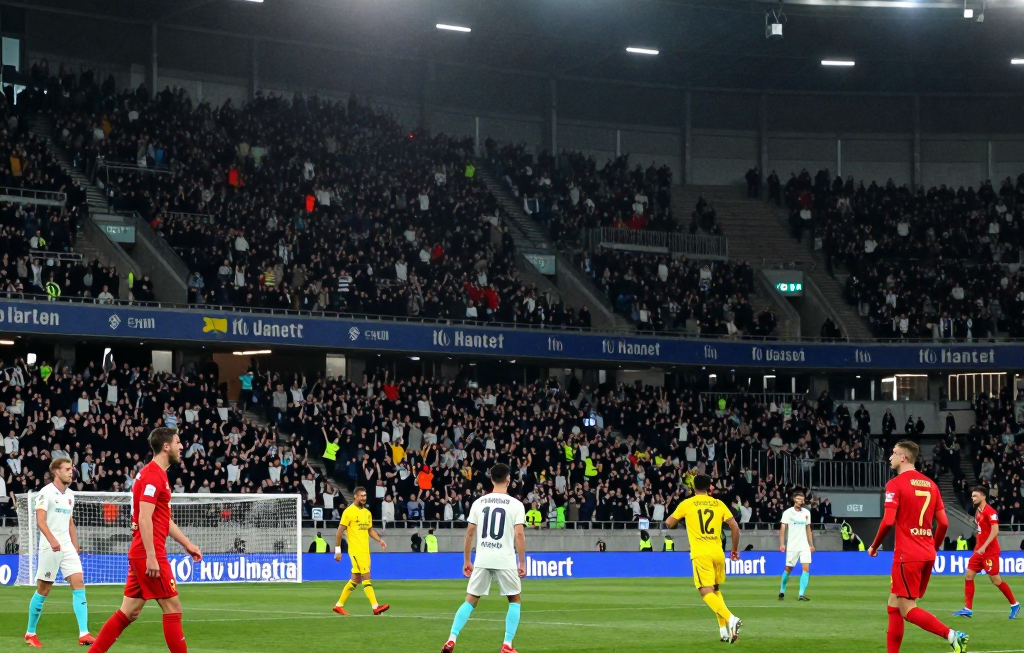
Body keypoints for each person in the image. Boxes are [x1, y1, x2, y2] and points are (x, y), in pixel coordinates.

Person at [88, 428, 203, 653]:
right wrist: (151, 556)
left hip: (141, 551)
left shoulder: (157, 474)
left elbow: (162, 518)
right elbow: (144, 517)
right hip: (148, 552)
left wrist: (187, 544)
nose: (182, 447)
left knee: (129, 612)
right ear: (166, 446)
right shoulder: (153, 475)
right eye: (178, 442)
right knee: (173, 608)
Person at [868, 441, 968, 653]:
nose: (890, 457)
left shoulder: (895, 484)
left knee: (907, 609)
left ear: (904, 457)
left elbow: (887, 521)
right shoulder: (931, 484)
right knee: (893, 604)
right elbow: (944, 523)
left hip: (907, 555)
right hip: (926, 553)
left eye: (894, 453)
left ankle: (952, 636)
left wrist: (874, 546)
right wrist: (933, 546)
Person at [442, 463, 527, 653]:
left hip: (483, 558)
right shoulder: (516, 505)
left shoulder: (479, 503)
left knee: (470, 599)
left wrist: (466, 560)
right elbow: (519, 534)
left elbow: (470, 532)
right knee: (514, 599)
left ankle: (451, 638)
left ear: (491, 479)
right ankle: (507, 644)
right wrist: (522, 561)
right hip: (504, 559)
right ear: (508, 480)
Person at [665, 474, 743, 643]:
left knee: (704, 590)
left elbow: (668, 523)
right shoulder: (718, 503)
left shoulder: (687, 503)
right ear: (709, 487)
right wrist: (734, 550)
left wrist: (681, 518)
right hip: (718, 552)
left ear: (693, 488)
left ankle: (731, 619)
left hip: (701, 553)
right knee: (715, 589)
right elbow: (735, 527)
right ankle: (723, 631)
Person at [25, 458, 93, 647]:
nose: (71, 472)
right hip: (49, 546)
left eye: (71, 469)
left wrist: (75, 544)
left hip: (66, 546)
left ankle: (84, 633)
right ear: (56, 472)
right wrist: (53, 540)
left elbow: (69, 522)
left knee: (78, 582)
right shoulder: (45, 493)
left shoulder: (70, 495)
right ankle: (30, 633)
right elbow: (41, 521)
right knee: (44, 588)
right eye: (67, 469)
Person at [952, 487, 1020, 619]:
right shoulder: (978, 511)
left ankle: (1014, 604)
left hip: (990, 552)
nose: (973, 498)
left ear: (983, 496)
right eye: (972, 496)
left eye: (975, 496)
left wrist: (984, 546)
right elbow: (982, 530)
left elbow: (995, 531)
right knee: (969, 576)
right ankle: (968, 609)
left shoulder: (990, 512)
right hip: (979, 551)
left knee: (996, 580)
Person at [333, 487, 389, 615]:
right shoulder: (349, 512)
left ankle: (339, 605)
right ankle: (375, 607)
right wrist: (338, 550)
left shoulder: (367, 513)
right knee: (366, 576)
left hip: (365, 550)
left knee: (356, 579)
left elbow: (370, 530)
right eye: (361, 496)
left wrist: (379, 540)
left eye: (365, 495)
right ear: (355, 497)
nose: (364, 498)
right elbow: (339, 533)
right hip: (356, 550)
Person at [779, 490, 815, 601]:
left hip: (804, 546)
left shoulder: (806, 513)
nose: (801, 501)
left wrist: (811, 544)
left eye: (802, 499)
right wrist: (782, 544)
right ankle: (782, 590)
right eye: (799, 499)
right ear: (794, 499)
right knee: (788, 569)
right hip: (792, 546)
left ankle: (801, 594)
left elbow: (808, 529)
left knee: (806, 569)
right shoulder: (787, 513)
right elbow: (782, 529)